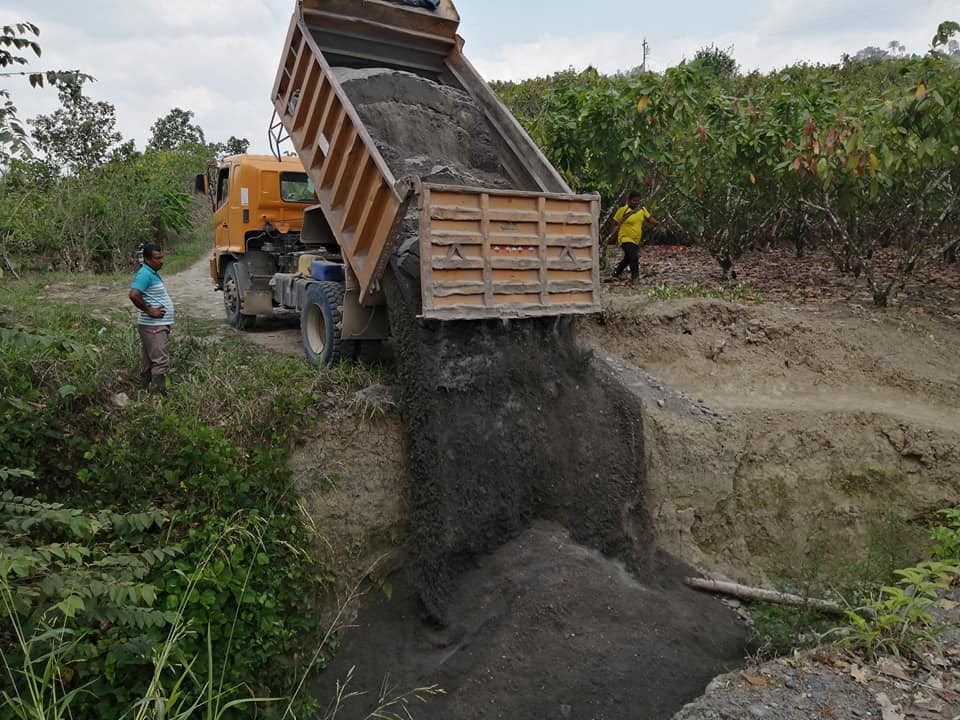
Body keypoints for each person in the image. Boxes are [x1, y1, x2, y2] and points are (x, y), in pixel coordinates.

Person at [129, 244, 175, 395]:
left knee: (149, 359)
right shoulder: (145, 274)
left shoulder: (151, 273)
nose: (161, 261)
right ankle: (159, 395)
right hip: (154, 326)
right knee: (160, 360)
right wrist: (150, 310)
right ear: (147, 259)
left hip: (155, 325)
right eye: (157, 258)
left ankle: (144, 391)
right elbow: (134, 294)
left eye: (162, 257)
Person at [605, 191, 657, 285]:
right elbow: (614, 222)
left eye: (638, 201)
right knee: (633, 257)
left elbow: (649, 218)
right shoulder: (623, 210)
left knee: (628, 258)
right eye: (634, 200)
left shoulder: (642, 209)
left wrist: (656, 223)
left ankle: (616, 273)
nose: (636, 202)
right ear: (629, 200)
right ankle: (635, 278)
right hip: (625, 238)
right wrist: (611, 235)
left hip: (636, 240)